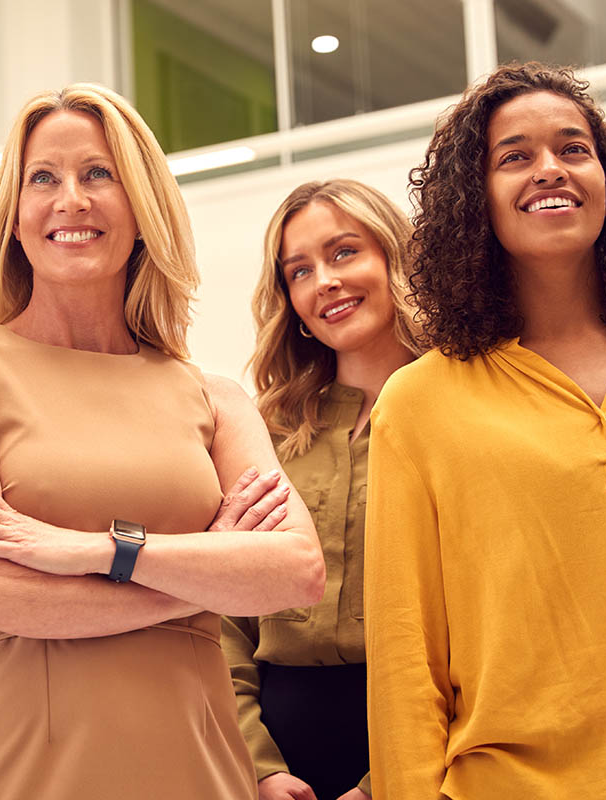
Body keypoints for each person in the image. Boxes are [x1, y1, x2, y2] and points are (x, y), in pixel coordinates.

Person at [0, 83, 326, 800]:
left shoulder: (214, 395)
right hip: (28, 766)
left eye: (99, 173)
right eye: (44, 178)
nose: (71, 199)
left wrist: (96, 551)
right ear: (14, 213)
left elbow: (295, 571)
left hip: (201, 763)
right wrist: (200, 582)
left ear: (142, 207)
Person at [365, 62, 606, 798]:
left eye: (573, 149)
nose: (550, 169)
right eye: (514, 156)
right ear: (473, 200)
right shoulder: (420, 405)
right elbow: (403, 656)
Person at [224, 179, 422, 800]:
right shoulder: (268, 432)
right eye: (299, 271)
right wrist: (259, 764)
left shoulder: (466, 414)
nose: (324, 282)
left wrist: (384, 781)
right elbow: (226, 615)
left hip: (418, 738)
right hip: (277, 749)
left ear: (396, 258)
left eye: (344, 253)